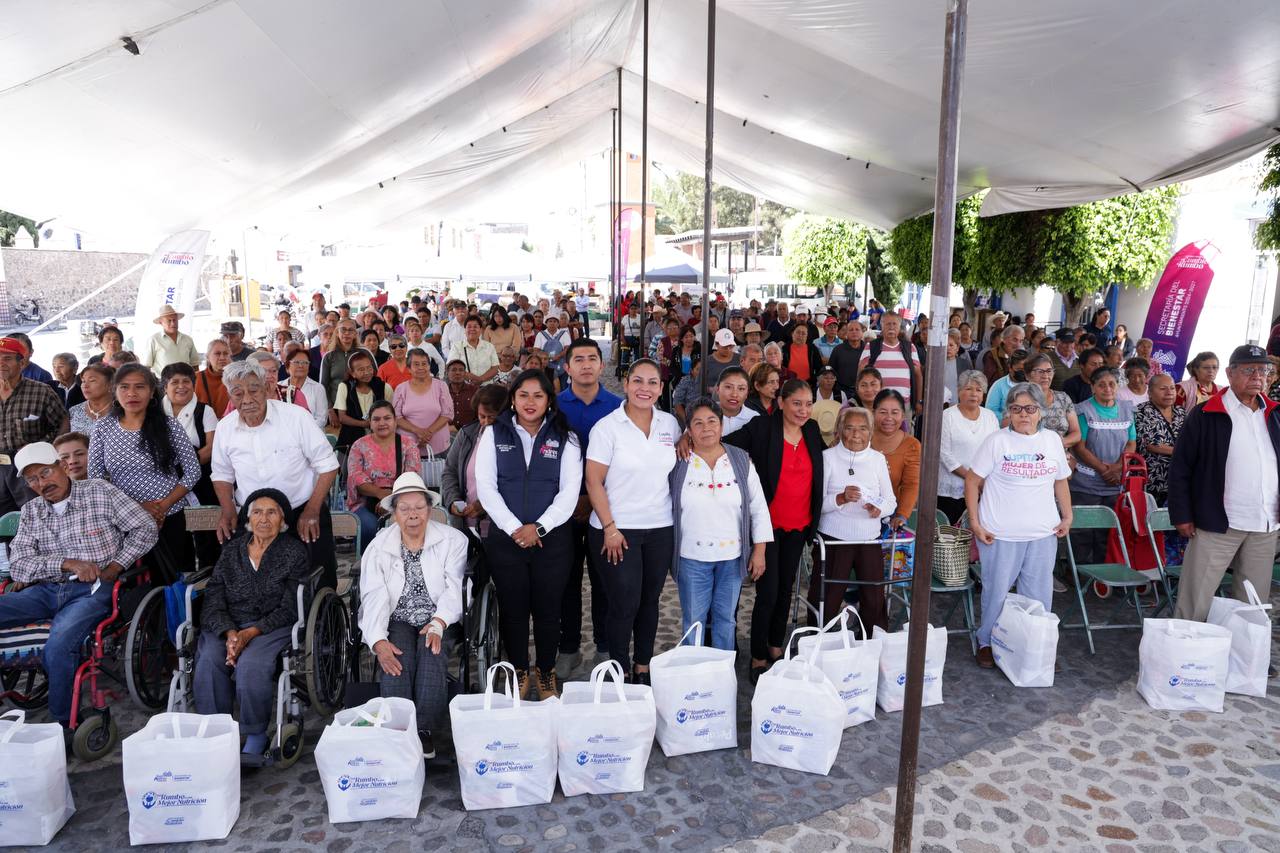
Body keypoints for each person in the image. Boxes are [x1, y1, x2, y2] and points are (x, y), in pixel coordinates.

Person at [0, 442, 158, 732]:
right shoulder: (32, 510)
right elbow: (19, 566)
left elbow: (145, 527)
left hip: (94, 590)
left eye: (45, 473)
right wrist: (66, 564)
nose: (41, 484)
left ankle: (62, 726)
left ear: (62, 466)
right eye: (32, 479)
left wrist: (116, 566)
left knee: (59, 645)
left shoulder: (99, 491)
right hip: (46, 590)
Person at [475, 369, 582, 699]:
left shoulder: (567, 437)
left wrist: (539, 527)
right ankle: (519, 671)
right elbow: (486, 487)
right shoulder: (493, 434)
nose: (530, 402)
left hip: (553, 540)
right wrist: (514, 529)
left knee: (549, 610)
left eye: (538, 395)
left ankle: (546, 673)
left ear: (549, 400)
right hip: (506, 540)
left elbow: (569, 492)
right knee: (514, 609)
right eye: (523, 395)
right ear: (513, 399)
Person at [195, 489, 309, 765]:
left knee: (252, 665)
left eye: (272, 512)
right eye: (257, 512)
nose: (264, 519)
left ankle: (255, 733)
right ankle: (217, 731)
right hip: (229, 623)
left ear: (283, 519)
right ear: (248, 518)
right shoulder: (232, 551)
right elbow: (214, 594)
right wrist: (230, 632)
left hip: (271, 625)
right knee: (209, 659)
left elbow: (291, 607)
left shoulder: (294, 552)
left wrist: (250, 633)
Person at [358, 472, 466, 758]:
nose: (413, 515)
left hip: (440, 616)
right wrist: (378, 640)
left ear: (430, 510)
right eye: (404, 509)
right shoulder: (378, 546)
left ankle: (424, 731)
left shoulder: (453, 540)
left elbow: (455, 588)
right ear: (394, 513)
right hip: (398, 617)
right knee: (395, 658)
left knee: (431, 654)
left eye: (419, 507)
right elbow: (374, 595)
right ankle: (398, 730)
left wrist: (439, 623)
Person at [1169, 345, 1280, 624]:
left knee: (1253, 606)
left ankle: (1244, 652)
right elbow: (1181, 467)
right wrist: (1182, 514)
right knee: (1195, 600)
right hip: (1217, 522)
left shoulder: (1275, 414)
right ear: (1230, 374)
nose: (1258, 376)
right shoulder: (1206, 413)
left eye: (1263, 370)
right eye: (1249, 370)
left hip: (1265, 524)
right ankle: (1185, 648)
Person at [965, 383, 1073, 667]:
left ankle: (1034, 645)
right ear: (1008, 413)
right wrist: (975, 523)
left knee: (1038, 596)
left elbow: (1060, 480)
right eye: (1016, 409)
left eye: (1030, 408)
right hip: (1000, 534)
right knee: (996, 593)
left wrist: (1067, 516)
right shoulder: (997, 441)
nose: (1023, 414)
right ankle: (987, 641)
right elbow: (972, 481)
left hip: (1042, 533)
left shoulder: (1052, 440)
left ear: (1041, 411)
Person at [584, 359, 678, 684]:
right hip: (617, 529)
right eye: (637, 381)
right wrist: (609, 528)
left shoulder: (670, 424)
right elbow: (593, 481)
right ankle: (619, 668)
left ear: (661, 389)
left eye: (652, 382)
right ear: (625, 384)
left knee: (650, 600)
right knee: (624, 602)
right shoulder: (607, 428)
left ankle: (642, 666)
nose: (644, 388)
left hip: (660, 527)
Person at [724, 379, 823, 683]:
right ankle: (757, 656)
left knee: (785, 591)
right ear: (781, 402)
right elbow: (725, 443)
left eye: (808, 404)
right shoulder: (762, 427)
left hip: (799, 525)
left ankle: (776, 646)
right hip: (767, 528)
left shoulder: (812, 430)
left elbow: (825, 462)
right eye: (796, 403)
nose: (803, 410)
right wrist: (689, 438)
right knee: (767, 593)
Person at [211, 359, 341, 589]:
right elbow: (222, 474)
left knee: (316, 581)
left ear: (266, 387)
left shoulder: (296, 417)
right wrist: (228, 510)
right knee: (248, 584)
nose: (247, 400)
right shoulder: (225, 427)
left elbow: (328, 465)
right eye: (238, 393)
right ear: (230, 396)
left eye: (253, 390)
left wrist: (312, 510)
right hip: (253, 517)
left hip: (301, 510)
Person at [670, 398, 771, 650]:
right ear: (689, 429)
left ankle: (723, 670)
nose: (706, 428)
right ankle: (693, 670)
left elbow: (758, 506)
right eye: (698, 423)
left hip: (731, 558)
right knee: (694, 621)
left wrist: (759, 550)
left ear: (722, 425)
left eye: (712, 421)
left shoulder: (740, 459)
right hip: (691, 557)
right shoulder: (677, 460)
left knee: (726, 620)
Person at [88, 362, 200, 572]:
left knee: (175, 579)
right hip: (124, 521)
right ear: (115, 391)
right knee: (136, 582)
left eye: (140, 387)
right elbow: (96, 479)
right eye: (124, 387)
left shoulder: (169, 426)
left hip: (169, 516)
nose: (132, 393)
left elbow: (193, 471)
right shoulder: (103, 427)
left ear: (151, 392)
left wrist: (163, 506)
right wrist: (137, 508)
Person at [554, 338, 622, 676]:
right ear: (567, 367)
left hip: (605, 508)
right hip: (561, 509)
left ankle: (604, 647)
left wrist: (593, 499)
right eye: (578, 359)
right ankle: (568, 648)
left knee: (604, 580)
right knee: (566, 581)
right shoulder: (553, 406)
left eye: (592, 358)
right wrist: (574, 498)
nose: (585, 365)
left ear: (602, 365)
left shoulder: (618, 406)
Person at [811, 406, 895, 629]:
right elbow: (816, 505)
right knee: (828, 597)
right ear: (839, 430)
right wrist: (840, 498)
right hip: (834, 538)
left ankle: (872, 639)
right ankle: (819, 638)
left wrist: (879, 509)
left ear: (871, 432)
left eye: (863, 428)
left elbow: (890, 501)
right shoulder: (827, 458)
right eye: (849, 428)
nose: (856, 434)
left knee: (874, 597)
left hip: (869, 538)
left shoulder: (877, 459)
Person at [1069, 368, 1136, 564]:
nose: (1107, 389)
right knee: (1082, 531)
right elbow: (1079, 446)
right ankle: (1079, 572)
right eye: (1101, 385)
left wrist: (1117, 467)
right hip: (1086, 483)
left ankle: (1103, 573)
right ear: (1093, 387)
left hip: (1115, 482)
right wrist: (1104, 470)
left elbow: (1131, 442)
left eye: (1112, 384)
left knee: (1107, 531)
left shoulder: (1127, 409)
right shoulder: (1083, 410)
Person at [0, 337, 71, 514]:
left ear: (22, 362)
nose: (1, 363)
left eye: (7, 358)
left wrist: (42, 450)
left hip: (30, 469)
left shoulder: (41, 391)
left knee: (38, 515)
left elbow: (63, 424)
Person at [346, 400, 422, 551]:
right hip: (365, 502)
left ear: (395, 421)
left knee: (405, 526)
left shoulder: (408, 445)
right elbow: (356, 477)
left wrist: (390, 501)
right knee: (369, 527)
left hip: (402, 499)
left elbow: (411, 477)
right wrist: (379, 494)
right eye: (376, 419)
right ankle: (369, 562)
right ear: (370, 423)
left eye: (387, 418)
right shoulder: (359, 446)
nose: (382, 423)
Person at [441, 384, 507, 536]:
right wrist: (453, 501)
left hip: (500, 525)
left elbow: (514, 482)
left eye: (492, 417)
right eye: (482, 416)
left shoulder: (513, 440)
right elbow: (450, 471)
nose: (486, 422)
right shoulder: (467, 434)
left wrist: (485, 504)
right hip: (466, 523)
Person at [938, 371, 999, 522]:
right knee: (951, 532)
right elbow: (944, 454)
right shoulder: (947, 416)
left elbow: (996, 450)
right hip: (953, 489)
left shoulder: (990, 417)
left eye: (978, 390)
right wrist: (973, 479)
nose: (974, 394)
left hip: (984, 487)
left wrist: (983, 481)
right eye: (968, 389)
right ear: (959, 391)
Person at [160, 362, 218, 503]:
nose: (181, 386)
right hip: (161, 482)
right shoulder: (154, 413)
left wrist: (183, 469)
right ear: (165, 387)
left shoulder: (206, 411)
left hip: (199, 484)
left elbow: (211, 447)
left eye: (186, 381)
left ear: (193, 385)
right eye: (175, 382)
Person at [869, 389, 921, 533]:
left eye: (895, 412)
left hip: (891, 516)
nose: (889, 418)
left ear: (903, 415)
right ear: (873, 413)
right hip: (859, 511)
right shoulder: (861, 438)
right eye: (883, 412)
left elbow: (911, 484)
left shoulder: (911, 445)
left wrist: (901, 515)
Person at [1133, 373, 1184, 507]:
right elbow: (1151, 445)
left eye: (1172, 388)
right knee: (1150, 516)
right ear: (1150, 392)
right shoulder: (1141, 411)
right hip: (1152, 478)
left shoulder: (1181, 412)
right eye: (1163, 389)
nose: (1169, 392)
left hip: (1178, 477)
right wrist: (1185, 452)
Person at [394, 348, 454, 459]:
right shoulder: (401, 389)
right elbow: (396, 417)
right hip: (409, 447)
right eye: (416, 364)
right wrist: (417, 431)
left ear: (429, 366)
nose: (421, 367)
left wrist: (427, 433)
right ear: (409, 368)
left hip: (439, 446)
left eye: (424, 364)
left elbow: (447, 414)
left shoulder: (441, 386)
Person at [859, 313, 923, 417]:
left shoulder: (910, 348)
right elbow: (860, 375)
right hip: (878, 405)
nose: (891, 327)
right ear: (881, 326)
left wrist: (919, 401)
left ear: (899, 327)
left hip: (904, 405)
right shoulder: (871, 347)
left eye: (894, 324)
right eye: (888, 324)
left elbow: (918, 375)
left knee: (904, 428)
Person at [333, 350, 393, 449]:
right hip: (351, 440)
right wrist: (364, 424)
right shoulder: (345, 387)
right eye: (361, 369)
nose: (367, 372)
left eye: (369, 368)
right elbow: (342, 417)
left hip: (379, 440)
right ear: (352, 373)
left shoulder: (384, 387)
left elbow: (390, 414)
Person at [1022, 353, 1083, 452]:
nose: (1045, 376)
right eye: (1040, 371)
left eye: (1049, 371)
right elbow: (1010, 431)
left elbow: (1076, 433)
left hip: (1059, 452)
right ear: (1027, 375)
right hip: (1029, 454)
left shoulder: (1063, 398)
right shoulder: (1019, 400)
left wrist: (1059, 444)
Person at [278, 343, 329, 431]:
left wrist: (301, 431)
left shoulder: (318, 388)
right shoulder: (279, 387)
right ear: (287, 367)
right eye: (296, 362)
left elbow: (322, 419)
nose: (301, 365)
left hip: (311, 434)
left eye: (305, 363)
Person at [141, 305, 200, 375]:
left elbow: (195, 364)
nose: (173, 323)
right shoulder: (154, 340)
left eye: (175, 320)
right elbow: (146, 366)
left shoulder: (187, 339)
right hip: (161, 380)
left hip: (185, 379)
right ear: (161, 323)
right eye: (169, 321)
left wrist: (196, 379)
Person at [319, 319, 360, 407]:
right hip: (335, 406)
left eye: (350, 330)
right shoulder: (329, 356)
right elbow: (323, 386)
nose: (347, 333)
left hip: (361, 405)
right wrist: (329, 408)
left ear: (355, 334)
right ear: (337, 333)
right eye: (343, 329)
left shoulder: (364, 353)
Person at [68, 363, 115, 437]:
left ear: (110, 384)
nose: (85, 386)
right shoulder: (74, 411)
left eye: (92, 380)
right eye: (83, 381)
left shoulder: (123, 411)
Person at [983, 349, 1028, 423]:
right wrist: (1009, 418)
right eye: (1019, 369)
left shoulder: (1031, 384)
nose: (1023, 372)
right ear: (1010, 368)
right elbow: (990, 411)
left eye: (1025, 369)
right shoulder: (999, 385)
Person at [452, 316, 501, 384]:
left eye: (475, 327)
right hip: (465, 387)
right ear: (465, 330)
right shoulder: (456, 346)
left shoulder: (489, 347)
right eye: (469, 327)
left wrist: (481, 379)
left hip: (487, 387)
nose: (472, 329)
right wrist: (474, 379)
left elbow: (495, 368)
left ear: (480, 330)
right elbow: (453, 367)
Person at [829, 321, 866, 400]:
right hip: (841, 390)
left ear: (862, 332)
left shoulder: (868, 350)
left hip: (863, 390)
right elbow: (831, 371)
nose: (854, 332)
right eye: (851, 330)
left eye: (857, 329)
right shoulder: (838, 349)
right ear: (847, 333)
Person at [716, 366, 759, 436]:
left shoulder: (755, 418)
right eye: (728, 387)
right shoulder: (705, 416)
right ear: (717, 389)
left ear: (747, 394)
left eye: (741, 389)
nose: (734, 394)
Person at [196, 338, 232, 416]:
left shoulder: (237, 378)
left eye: (226, 353)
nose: (222, 358)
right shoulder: (196, 378)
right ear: (208, 357)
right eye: (217, 353)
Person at [942, 330, 974, 406]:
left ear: (957, 348)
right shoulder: (936, 364)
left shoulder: (964, 364)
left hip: (959, 404)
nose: (948, 348)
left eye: (951, 345)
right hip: (940, 405)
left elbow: (970, 385)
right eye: (945, 345)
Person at [445, 359, 478, 430]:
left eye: (461, 370)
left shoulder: (475, 391)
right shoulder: (442, 392)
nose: (457, 373)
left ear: (465, 373)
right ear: (447, 373)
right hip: (446, 431)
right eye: (453, 370)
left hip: (470, 432)